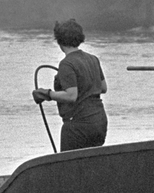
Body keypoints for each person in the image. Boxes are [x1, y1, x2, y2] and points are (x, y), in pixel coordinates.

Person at [32, 18, 108, 151]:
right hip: (99, 122)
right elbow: (103, 88)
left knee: (68, 167)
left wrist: (47, 94)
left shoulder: (66, 64)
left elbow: (71, 96)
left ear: (59, 41)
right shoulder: (93, 59)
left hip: (79, 125)